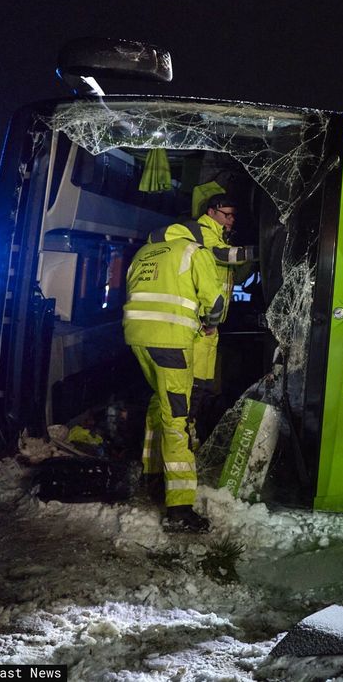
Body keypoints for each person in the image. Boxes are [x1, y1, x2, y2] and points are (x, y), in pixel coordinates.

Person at [124, 216, 228, 533]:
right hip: (171, 343)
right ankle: (179, 508)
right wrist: (211, 323)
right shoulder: (195, 251)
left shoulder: (144, 253)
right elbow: (217, 303)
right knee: (177, 419)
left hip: (138, 339)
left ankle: (152, 472)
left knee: (159, 402)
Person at [147, 192, 257, 442]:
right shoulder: (202, 231)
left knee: (201, 390)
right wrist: (258, 251)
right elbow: (223, 255)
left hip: (209, 327)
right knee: (188, 394)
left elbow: (230, 275)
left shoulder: (217, 235)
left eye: (233, 216)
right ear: (211, 212)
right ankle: (180, 447)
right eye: (226, 215)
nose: (231, 220)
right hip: (198, 326)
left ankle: (187, 441)